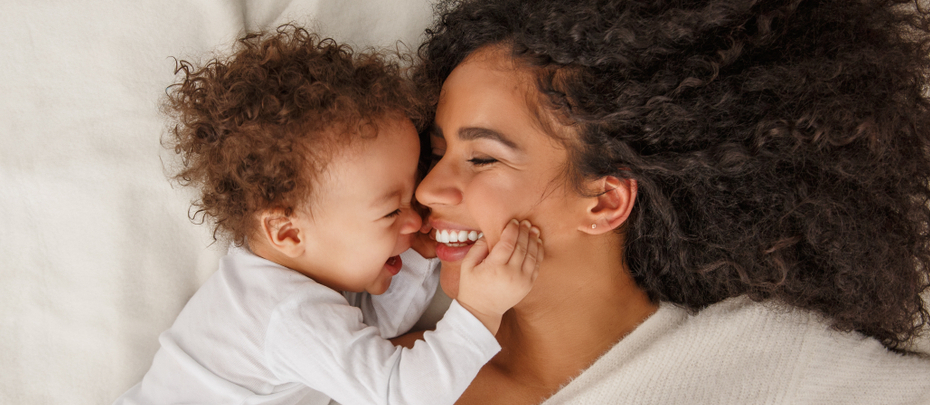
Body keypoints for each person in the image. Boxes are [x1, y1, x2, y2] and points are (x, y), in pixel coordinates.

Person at [409, 0, 930, 403]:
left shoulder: (769, 361)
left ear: (605, 200)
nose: (428, 189)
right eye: (437, 152)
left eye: (482, 159)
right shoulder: (384, 378)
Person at [114, 25, 544, 405]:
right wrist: (479, 312)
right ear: (287, 232)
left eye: (410, 202)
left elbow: (370, 337)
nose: (416, 220)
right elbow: (400, 392)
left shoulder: (286, 287)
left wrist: (415, 254)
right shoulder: (285, 313)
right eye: (392, 211)